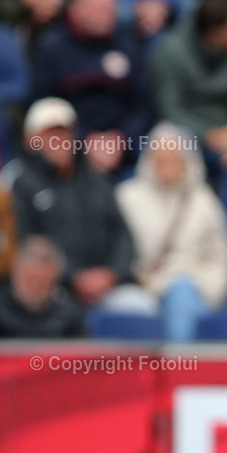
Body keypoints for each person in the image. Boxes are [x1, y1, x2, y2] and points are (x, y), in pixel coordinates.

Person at [6, 97, 146, 312]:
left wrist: (112, 274)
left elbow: (122, 234)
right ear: (31, 139)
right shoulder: (21, 183)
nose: (59, 140)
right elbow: (25, 241)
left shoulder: (96, 179)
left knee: (138, 307)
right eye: (50, 134)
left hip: (107, 284)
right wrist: (73, 277)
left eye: (63, 132)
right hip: (52, 287)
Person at [115, 123, 227, 342]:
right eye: (160, 160)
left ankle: (178, 368)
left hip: (194, 288)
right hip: (143, 287)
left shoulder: (204, 201)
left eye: (173, 160)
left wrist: (207, 287)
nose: (166, 166)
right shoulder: (127, 197)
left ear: (187, 162)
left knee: (181, 296)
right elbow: (116, 250)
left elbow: (223, 258)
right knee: (127, 306)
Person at [30, 0, 150, 174]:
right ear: (73, 11)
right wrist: (84, 140)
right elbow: (44, 105)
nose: (104, 15)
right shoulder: (52, 49)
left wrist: (121, 138)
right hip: (71, 144)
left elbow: (142, 105)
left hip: (125, 146)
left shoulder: (129, 46)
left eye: (109, 9)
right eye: (96, 9)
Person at [150, 0, 227, 173]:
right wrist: (210, 135)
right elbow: (171, 109)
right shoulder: (170, 51)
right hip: (191, 132)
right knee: (168, 139)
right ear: (216, 33)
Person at [0, 236, 84, 337]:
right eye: (31, 280)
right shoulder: (3, 314)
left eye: (43, 283)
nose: (36, 288)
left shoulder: (69, 317)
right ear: (15, 274)